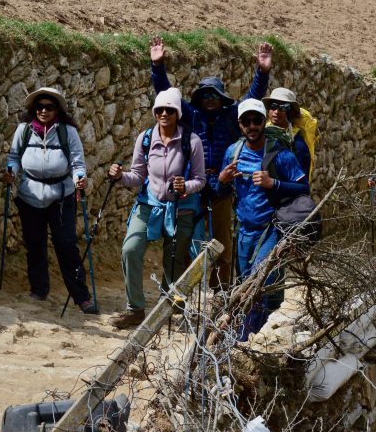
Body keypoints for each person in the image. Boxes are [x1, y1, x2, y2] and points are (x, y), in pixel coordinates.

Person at [150, 37, 271, 291]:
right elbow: (166, 95)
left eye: (213, 94)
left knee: (222, 240)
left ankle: (220, 291)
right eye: (204, 94)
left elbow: (253, 97)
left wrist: (262, 71)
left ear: (221, 97)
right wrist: (158, 66)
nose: (209, 99)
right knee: (185, 239)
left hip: (222, 186)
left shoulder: (231, 116)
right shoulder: (191, 116)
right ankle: (182, 290)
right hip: (194, 186)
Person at [107, 88, 206, 329]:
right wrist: (120, 177)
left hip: (180, 208)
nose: (164, 113)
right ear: (154, 112)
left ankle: (168, 307)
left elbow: (200, 179)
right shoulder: (146, 138)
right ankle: (135, 309)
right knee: (130, 249)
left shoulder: (191, 141)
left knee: (174, 260)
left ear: (177, 113)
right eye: (159, 109)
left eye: (170, 110)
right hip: (149, 204)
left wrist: (186, 186)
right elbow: (138, 175)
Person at [217, 99, 308, 341]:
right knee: (253, 284)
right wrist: (222, 180)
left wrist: (273, 183)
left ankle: (245, 339)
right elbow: (221, 192)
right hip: (243, 232)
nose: (252, 126)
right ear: (240, 125)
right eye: (247, 121)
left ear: (263, 122)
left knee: (256, 284)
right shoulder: (232, 153)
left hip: (271, 230)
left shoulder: (280, 154)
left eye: (257, 120)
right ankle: (263, 335)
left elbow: (303, 188)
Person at [3, 87, 98, 314]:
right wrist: (11, 171)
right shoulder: (24, 130)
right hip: (30, 195)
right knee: (34, 244)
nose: (43, 111)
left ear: (57, 110)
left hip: (62, 196)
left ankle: (81, 296)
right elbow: (14, 156)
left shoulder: (67, 131)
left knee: (66, 245)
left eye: (49, 107)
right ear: (33, 108)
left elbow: (77, 162)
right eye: (39, 106)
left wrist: (79, 178)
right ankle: (39, 289)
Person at [263, 88, 317, 178]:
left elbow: (301, 184)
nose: (276, 111)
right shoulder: (261, 133)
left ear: (290, 112)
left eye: (282, 108)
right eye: (273, 106)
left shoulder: (298, 145)